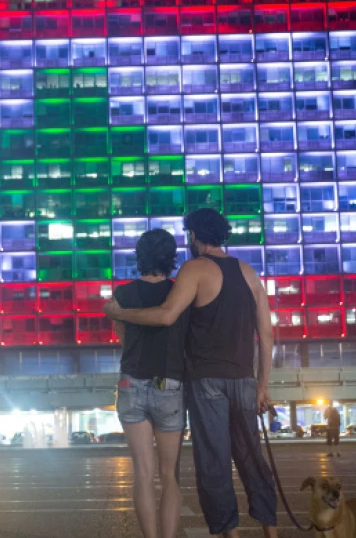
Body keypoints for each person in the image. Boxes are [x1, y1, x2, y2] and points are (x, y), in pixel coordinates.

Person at [105, 208, 280, 538]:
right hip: (239, 378)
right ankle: (271, 532)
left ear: (196, 237)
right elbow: (266, 334)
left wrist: (122, 313)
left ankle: (230, 534)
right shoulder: (249, 272)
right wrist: (262, 385)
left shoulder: (192, 271)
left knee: (207, 464)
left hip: (198, 380)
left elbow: (166, 316)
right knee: (250, 458)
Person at [112, 229, 190, 538]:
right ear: (170, 257)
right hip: (169, 383)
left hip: (131, 382)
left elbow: (122, 335)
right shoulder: (180, 293)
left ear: (139, 256)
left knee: (142, 475)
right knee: (168, 476)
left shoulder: (123, 294)